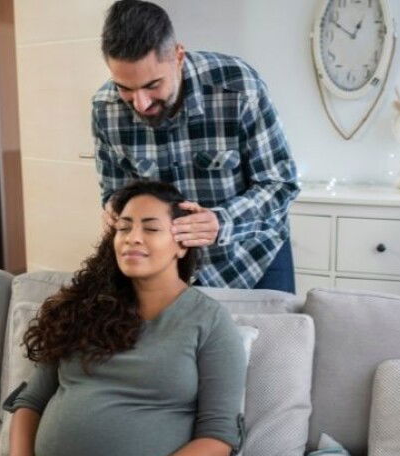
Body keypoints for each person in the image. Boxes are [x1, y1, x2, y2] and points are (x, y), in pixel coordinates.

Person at [0, 181, 246, 456]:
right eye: (123, 228)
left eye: (151, 228)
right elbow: (31, 400)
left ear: (182, 245)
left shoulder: (210, 322)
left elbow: (217, 440)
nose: (132, 238)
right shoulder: (83, 308)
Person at [92, 0, 300, 293]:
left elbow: (280, 184)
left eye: (152, 85)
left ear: (178, 56)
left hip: (252, 259)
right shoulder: (105, 109)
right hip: (167, 271)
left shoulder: (239, 87)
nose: (140, 104)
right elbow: (114, 193)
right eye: (125, 88)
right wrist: (114, 209)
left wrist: (221, 221)